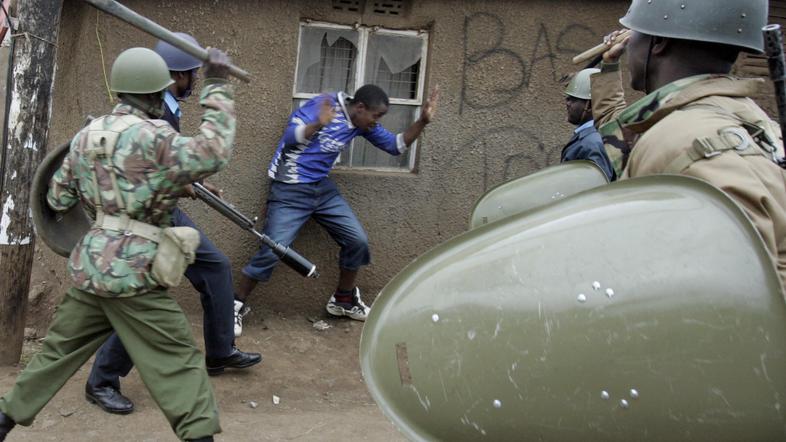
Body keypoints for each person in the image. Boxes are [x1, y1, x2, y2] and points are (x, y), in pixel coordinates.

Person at [0, 47, 235, 442]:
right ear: (153, 93)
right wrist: (217, 84)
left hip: (93, 267)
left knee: (56, 353)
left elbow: (57, 197)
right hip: (134, 273)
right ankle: (200, 436)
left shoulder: (85, 137)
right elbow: (212, 154)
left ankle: (4, 417)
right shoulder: (155, 136)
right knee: (178, 361)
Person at [83, 33, 261, 416]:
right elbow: (143, 170)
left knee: (215, 267)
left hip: (164, 210)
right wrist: (184, 183)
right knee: (145, 300)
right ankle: (102, 381)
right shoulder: (155, 111)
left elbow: (167, 164)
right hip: (142, 216)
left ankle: (220, 351)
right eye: (193, 73)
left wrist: (193, 182)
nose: (194, 79)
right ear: (179, 76)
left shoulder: (167, 106)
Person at [592, 0, 786, 288]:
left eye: (634, 33)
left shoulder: (691, 144)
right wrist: (609, 67)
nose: (628, 44)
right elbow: (622, 136)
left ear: (658, 43)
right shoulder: (749, 119)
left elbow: (738, 294)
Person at [232, 84, 439, 332]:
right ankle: (234, 305)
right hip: (290, 189)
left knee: (357, 241)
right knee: (273, 248)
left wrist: (422, 121)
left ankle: (343, 300)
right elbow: (290, 137)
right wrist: (318, 124)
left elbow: (396, 146)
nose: (376, 122)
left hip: (322, 189)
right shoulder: (325, 105)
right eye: (376, 116)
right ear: (360, 107)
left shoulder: (361, 123)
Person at [561, 68, 615, 181]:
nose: (567, 103)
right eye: (567, 98)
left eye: (573, 99)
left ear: (590, 106)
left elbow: (597, 187)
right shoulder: (591, 138)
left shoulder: (593, 144)